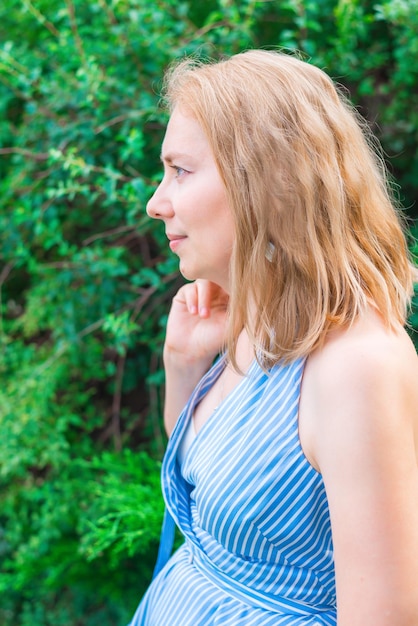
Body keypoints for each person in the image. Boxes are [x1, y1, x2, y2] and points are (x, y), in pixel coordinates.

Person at [129, 50, 418, 625]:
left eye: (180, 171)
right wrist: (185, 366)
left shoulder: (356, 366)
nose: (155, 203)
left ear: (268, 179)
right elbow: (212, 500)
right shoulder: (257, 321)